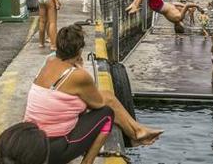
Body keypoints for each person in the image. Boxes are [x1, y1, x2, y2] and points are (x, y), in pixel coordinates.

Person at [23, 25, 163, 164]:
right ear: (79, 51)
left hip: (31, 143)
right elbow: (99, 104)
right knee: (107, 113)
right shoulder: (77, 75)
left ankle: (137, 131)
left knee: (106, 96)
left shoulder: (48, 63)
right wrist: (81, 69)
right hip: (53, 150)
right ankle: (90, 160)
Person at [125, 0, 203, 34]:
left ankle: (135, 5)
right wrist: (188, 9)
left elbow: (187, 5)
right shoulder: (176, 16)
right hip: (157, 6)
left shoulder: (179, 17)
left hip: (159, 5)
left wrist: (197, 6)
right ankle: (134, 5)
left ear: (181, 25)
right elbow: (175, 4)